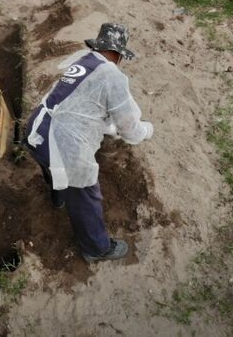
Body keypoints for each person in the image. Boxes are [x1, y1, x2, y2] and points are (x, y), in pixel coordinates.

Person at [23, 23, 154, 263]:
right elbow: (130, 130)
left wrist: (107, 127)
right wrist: (146, 129)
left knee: (54, 168)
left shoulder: (84, 62)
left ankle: (58, 198)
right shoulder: (112, 75)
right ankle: (95, 248)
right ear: (118, 55)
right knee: (86, 194)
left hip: (36, 132)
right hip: (62, 144)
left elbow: (82, 108)